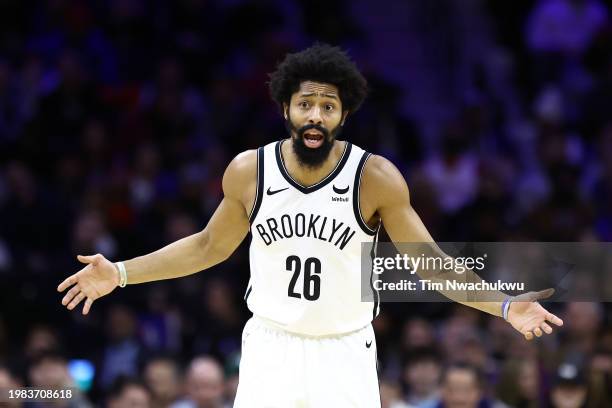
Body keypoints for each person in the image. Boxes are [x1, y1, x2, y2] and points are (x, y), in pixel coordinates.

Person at [57, 43, 564, 407]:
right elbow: (209, 246)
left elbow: (429, 266)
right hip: (271, 345)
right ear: (286, 109)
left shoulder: (376, 177)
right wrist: (120, 273)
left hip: (344, 348)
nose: (315, 115)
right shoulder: (249, 171)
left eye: (328, 106)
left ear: (343, 115)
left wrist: (501, 303)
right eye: (305, 104)